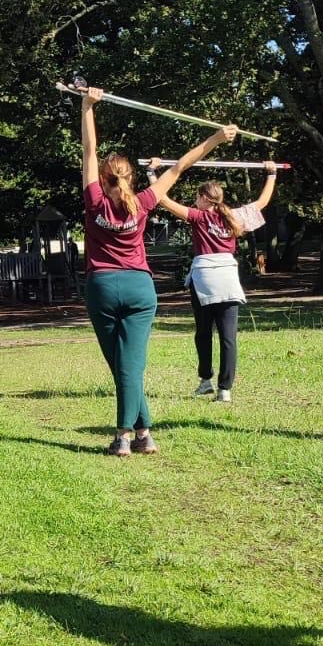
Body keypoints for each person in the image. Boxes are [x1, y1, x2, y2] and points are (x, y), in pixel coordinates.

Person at [80, 88, 237, 456]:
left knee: (123, 366)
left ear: (104, 180)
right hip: (139, 288)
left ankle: (122, 436)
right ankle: (144, 432)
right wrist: (216, 137)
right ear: (132, 178)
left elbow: (89, 150)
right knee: (128, 365)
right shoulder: (146, 201)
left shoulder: (94, 199)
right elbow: (181, 165)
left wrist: (87, 108)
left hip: (102, 287)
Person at [148, 161, 279, 402]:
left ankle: (205, 379)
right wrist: (271, 174)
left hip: (205, 279)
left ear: (203, 198)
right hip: (228, 278)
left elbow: (163, 200)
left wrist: (152, 173)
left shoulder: (198, 217)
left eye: (197, 197)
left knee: (203, 332)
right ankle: (225, 389)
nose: (194, 201)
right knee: (228, 337)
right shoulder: (233, 217)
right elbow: (262, 203)